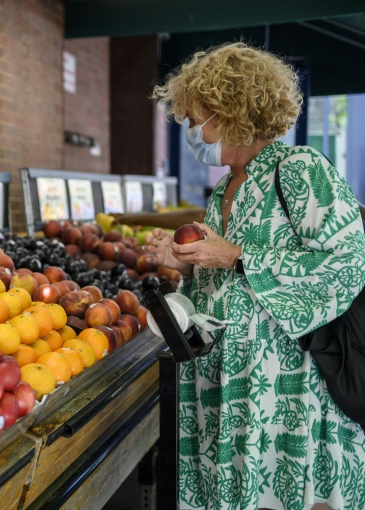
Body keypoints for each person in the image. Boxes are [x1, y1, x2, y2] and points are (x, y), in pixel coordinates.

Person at [147, 42, 365, 510]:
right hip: (222, 387)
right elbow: (222, 282)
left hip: (283, 394)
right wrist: (184, 261)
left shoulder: (301, 170)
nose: (190, 130)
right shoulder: (226, 186)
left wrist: (240, 255)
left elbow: (346, 266)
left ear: (230, 111)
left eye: (194, 118)